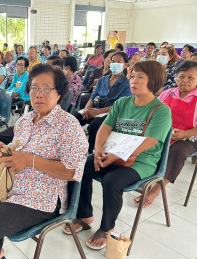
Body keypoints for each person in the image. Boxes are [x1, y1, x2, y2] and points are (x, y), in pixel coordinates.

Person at [0, 64, 88, 259]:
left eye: (46, 88)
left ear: (59, 94)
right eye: (34, 88)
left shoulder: (69, 126)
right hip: (9, 184)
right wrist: (3, 152)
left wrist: (31, 161)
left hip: (40, 198)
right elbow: (16, 150)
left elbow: (73, 172)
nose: (39, 94)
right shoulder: (25, 120)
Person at [66, 60, 171, 250]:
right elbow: (105, 127)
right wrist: (98, 149)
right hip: (112, 153)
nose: (134, 80)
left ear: (153, 82)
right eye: (133, 76)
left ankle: (107, 228)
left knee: (111, 181)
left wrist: (115, 156)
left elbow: (150, 142)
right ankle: (84, 215)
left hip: (140, 161)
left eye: (141, 77)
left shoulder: (161, 110)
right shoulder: (123, 103)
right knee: (79, 167)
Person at [134, 61, 197, 207]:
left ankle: (156, 190)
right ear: (175, 78)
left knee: (177, 152)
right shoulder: (167, 93)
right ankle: (147, 177)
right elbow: (154, 113)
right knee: (145, 142)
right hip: (164, 132)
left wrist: (184, 134)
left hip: (190, 137)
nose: (185, 81)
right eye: (181, 77)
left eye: (191, 77)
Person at [73, 52, 132, 154]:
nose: (115, 64)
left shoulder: (127, 83)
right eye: (113, 62)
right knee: (74, 118)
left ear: (125, 65)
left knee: (95, 125)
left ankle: (92, 153)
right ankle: (74, 149)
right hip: (96, 108)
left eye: (119, 62)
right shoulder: (102, 80)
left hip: (112, 113)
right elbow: (92, 97)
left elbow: (119, 106)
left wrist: (96, 113)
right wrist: (87, 109)